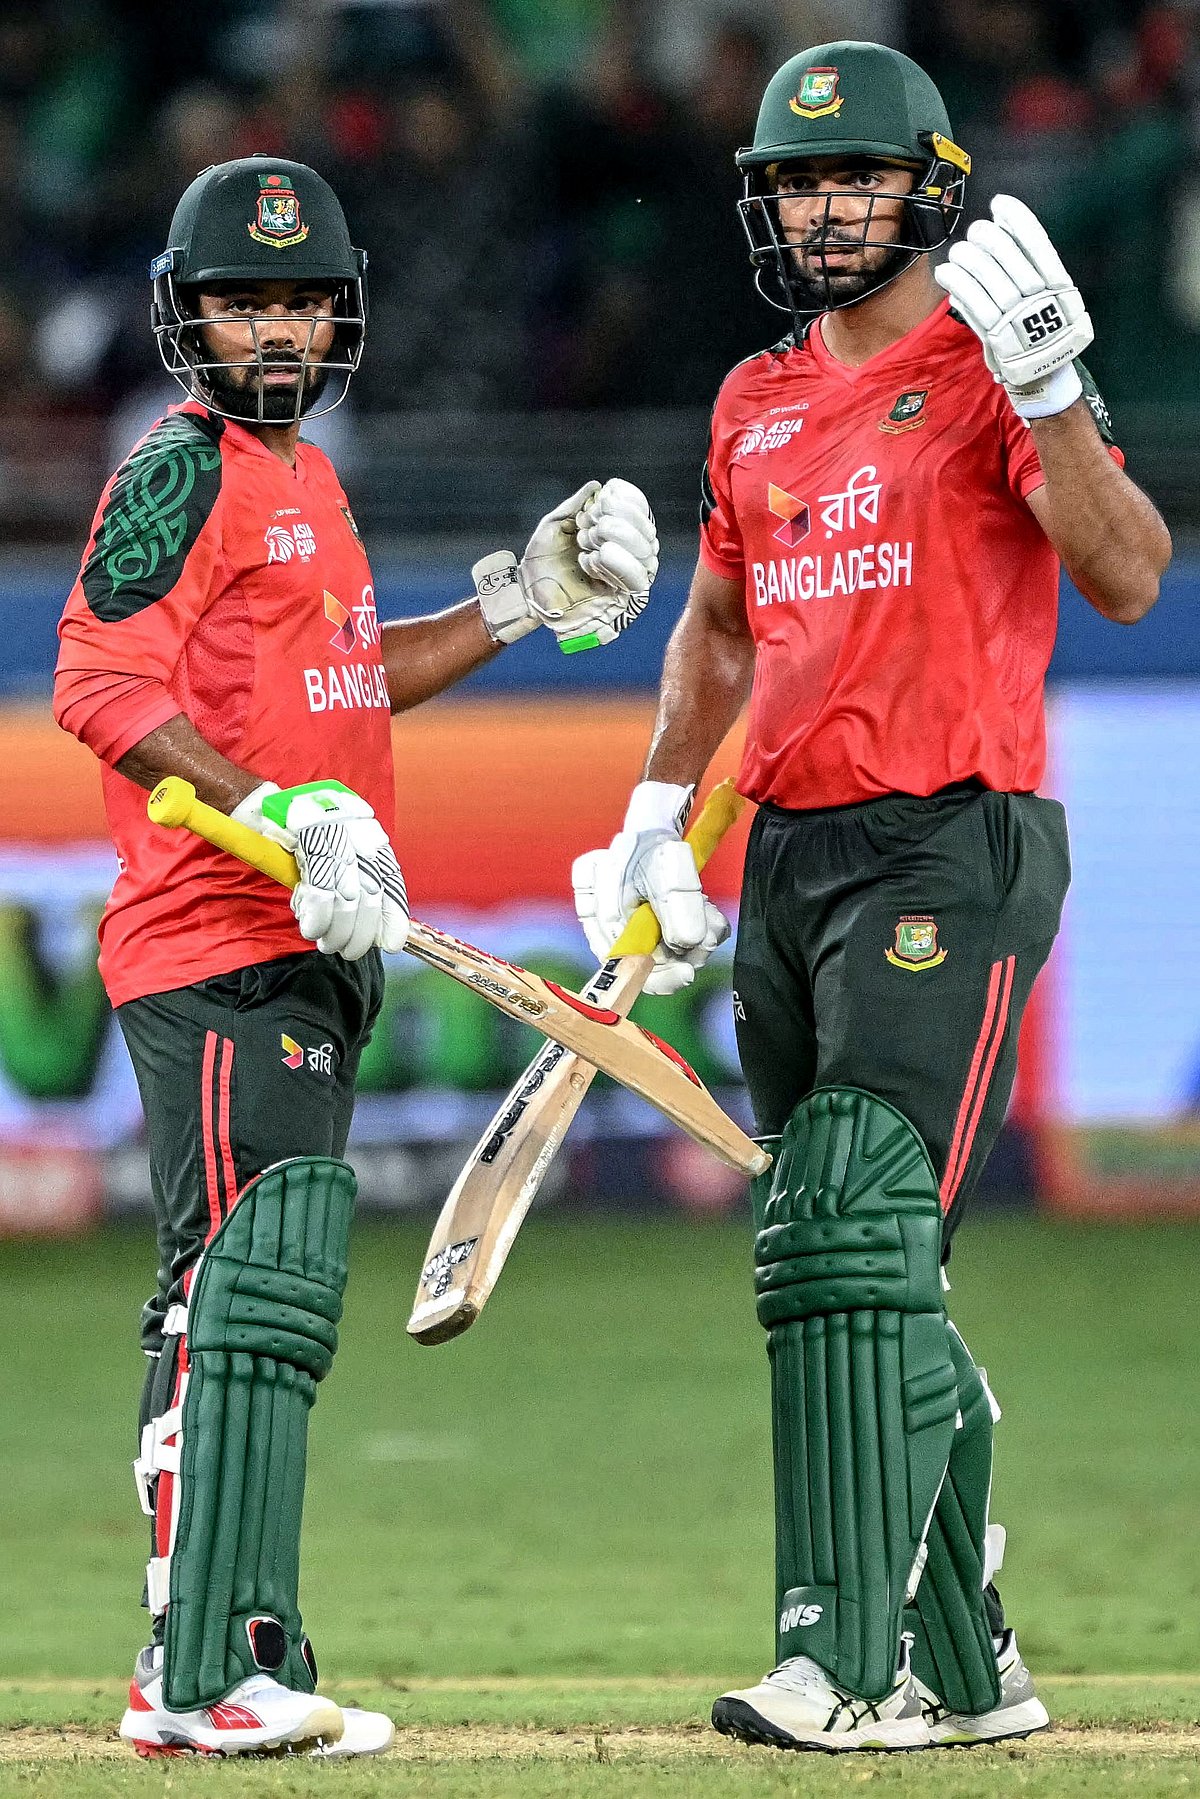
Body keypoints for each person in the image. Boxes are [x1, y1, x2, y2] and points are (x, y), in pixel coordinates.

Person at [572, 41, 1170, 1755]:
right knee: (854, 1262)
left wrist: (1053, 388)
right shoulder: (753, 400)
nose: (827, 209)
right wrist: (651, 822)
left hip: (952, 845)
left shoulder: (992, 368)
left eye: (855, 180)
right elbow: (717, 629)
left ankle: (843, 1666)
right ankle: (973, 1669)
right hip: (794, 859)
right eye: (797, 185)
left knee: (843, 1220)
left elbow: (1128, 576)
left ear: (928, 186)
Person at [53, 154, 659, 1760]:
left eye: (300, 299)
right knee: (243, 1282)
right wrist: (283, 825)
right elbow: (100, 687)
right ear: (192, 317)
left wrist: (524, 603)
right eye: (243, 300)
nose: (274, 326)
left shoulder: (306, 479)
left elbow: (342, 684)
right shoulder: (180, 471)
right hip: (215, 939)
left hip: (300, 944)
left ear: (342, 316)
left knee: (247, 1286)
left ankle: (233, 1651)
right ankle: (197, 1673)